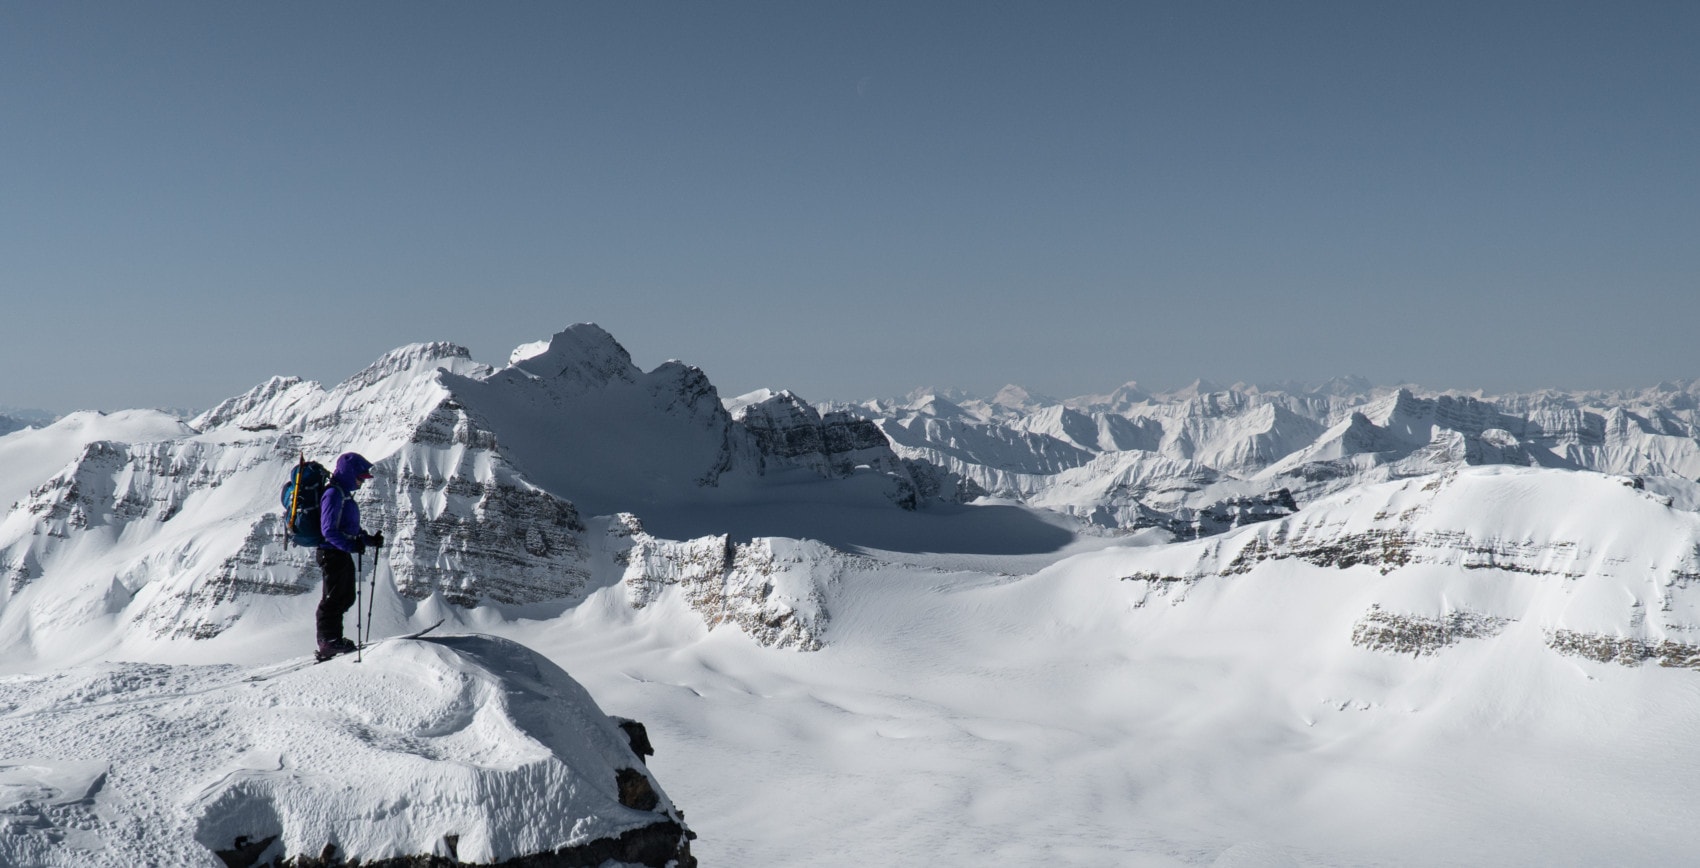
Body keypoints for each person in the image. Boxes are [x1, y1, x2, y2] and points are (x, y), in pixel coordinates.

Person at [316, 452, 384, 660]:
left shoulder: (343, 494)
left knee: (345, 596)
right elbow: (329, 530)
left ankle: (333, 639)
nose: (362, 482)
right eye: (360, 477)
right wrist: (350, 545)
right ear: (349, 473)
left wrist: (368, 540)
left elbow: (349, 528)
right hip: (331, 552)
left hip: (340, 551)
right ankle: (328, 641)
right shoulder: (333, 494)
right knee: (334, 597)